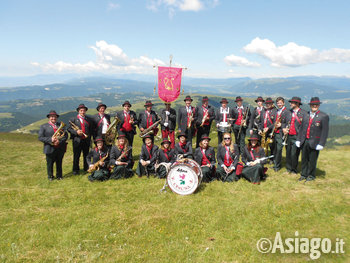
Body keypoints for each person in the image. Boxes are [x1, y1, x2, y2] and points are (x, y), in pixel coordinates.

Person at [297, 97, 329, 182]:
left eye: (316, 105)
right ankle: (303, 174)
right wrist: (298, 139)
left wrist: (321, 143)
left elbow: (325, 131)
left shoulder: (323, 116)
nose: (314, 106)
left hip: (315, 142)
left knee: (312, 160)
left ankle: (311, 176)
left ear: (318, 105)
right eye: (313, 104)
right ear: (310, 105)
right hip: (304, 141)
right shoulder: (305, 114)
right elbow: (301, 128)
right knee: (304, 159)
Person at [38, 110, 68, 181]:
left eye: (54, 117)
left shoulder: (60, 125)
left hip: (60, 147)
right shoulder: (44, 126)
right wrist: (50, 139)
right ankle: (50, 176)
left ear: (56, 117)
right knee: (50, 163)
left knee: (59, 163)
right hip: (49, 147)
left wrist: (59, 141)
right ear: (49, 117)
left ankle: (59, 176)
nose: (53, 118)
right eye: (51, 117)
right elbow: (40, 137)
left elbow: (65, 135)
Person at [285, 97, 309, 174]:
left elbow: (305, 126)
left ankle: (294, 170)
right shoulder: (288, 112)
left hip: (297, 136)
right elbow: (283, 122)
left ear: (297, 104)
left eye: (292, 103)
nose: (290, 104)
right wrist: (283, 128)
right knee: (288, 153)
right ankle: (288, 168)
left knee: (294, 154)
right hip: (288, 136)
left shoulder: (304, 113)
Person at [68, 104, 93, 175]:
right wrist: (76, 132)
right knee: (76, 155)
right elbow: (69, 129)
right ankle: (75, 170)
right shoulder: (73, 119)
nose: (82, 112)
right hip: (77, 140)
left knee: (86, 155)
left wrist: (89, 137)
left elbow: (90, 129)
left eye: (84, 110)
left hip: (86, 140)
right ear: (78, 111)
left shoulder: (89, 119)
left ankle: (86, 168)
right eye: (81, 110)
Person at [272, 97, 291, 172]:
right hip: (275, 132)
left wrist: (281, 125)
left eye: (280, 103)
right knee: (276, 150)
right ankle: (275, 164)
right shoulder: (277, 111)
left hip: (281, 134)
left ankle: (277, 166)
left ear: (283, 103)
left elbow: (288, 123)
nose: (279, 104)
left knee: (279, 150)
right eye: (278, 103)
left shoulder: (287, 111)